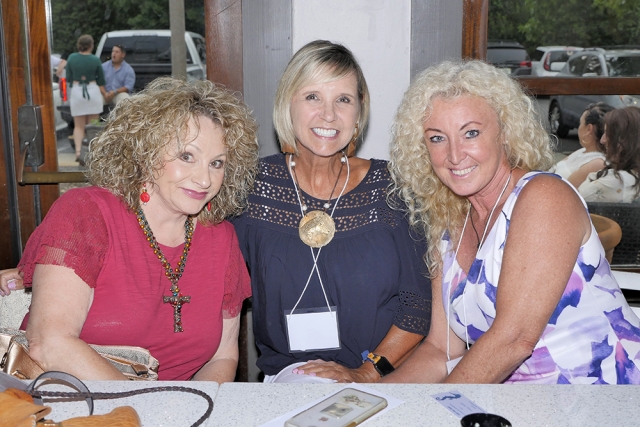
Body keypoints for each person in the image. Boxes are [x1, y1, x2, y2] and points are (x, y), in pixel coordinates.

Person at [383, 60, 640, 384]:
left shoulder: (543, 197)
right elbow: (440, 350)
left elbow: (513, 340)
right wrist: (373, 402)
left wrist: (436, 407)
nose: (454, 155)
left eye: (471, 133)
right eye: (437, 138)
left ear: (505, 133)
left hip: (610, 395)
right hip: (517, 403)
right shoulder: (448, 224)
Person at [0, 77, 258, 381]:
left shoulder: (221, 237)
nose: (205, 180)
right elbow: (50, 343)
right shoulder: (85, 213)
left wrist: (194, 405)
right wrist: (142, 405)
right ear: (145, 153)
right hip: (75, 398)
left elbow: (223, 356)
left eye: (217, 163)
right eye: (186, 156)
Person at [232, 40, 432, 383]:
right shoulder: (252, 188)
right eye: (313, 97)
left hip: (380, 379)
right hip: (287, 382)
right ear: (287, 104)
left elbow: (417, 306)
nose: (329, 114)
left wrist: (367, 372)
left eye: (343, 99)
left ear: (359, 112)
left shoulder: (392, 189)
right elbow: (211, 283)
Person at [578, 106, 640, 203]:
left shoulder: (617, 182)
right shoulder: (630, 176)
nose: (602, 140)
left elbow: (577, 200)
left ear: (626, 140)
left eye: (608, 134)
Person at [549, 102, 614, 189]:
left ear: (589, 129)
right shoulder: (584, 151)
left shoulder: (598, 163)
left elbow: (565, 190)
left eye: (580, 123)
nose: (579, 127)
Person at [66, 34, 107, 164]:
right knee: (93, 125)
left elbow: (68, 78)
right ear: (91, 45)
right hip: (92, 91)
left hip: (77, 92)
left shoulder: (72, 58)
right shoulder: (95, 60)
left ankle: (78, 152)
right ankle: (92, 152)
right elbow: (101, 80)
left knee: (78, 126)